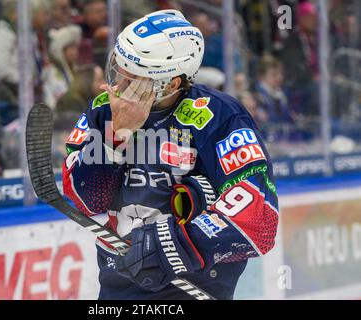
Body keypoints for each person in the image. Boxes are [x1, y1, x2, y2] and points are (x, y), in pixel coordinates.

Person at [62, 10, 278, 300]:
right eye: (119, 72)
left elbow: (260, 219)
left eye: (133, 78)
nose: (119, 87)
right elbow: (85, 198)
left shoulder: (220, 117)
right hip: (119, 286)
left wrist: (170, 246)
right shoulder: (104, 110)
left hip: (193, 288)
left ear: (172, 83)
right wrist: (114, 139)